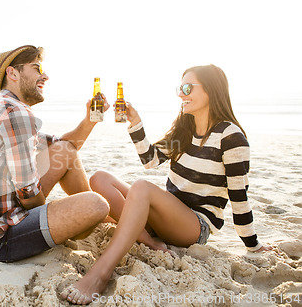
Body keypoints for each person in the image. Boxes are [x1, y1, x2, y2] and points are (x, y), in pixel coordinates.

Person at [61, 64, 273, 305]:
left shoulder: (231, 137)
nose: (181, 94)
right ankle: (150, 241)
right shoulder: (185, 128)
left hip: (194, 225)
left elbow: (239, 197)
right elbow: (151, 160)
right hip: (166, 215)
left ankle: (99, 275)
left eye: (187, 88)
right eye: (179, 88)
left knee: (141, 187)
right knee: (100, 178)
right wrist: (135, 123)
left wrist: (253, 244)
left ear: (211, 90)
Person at [0, 45, 110, 262]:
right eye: (36, 68)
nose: (45, 76)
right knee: (95, 205)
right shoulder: (17, 113)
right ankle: (97, 220)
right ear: (13, 73)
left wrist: (91, 119)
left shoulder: (4, 107)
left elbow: (62, 145)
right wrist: (56, 217)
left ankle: (98, 221)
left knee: (64, 151)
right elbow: (28, 193)